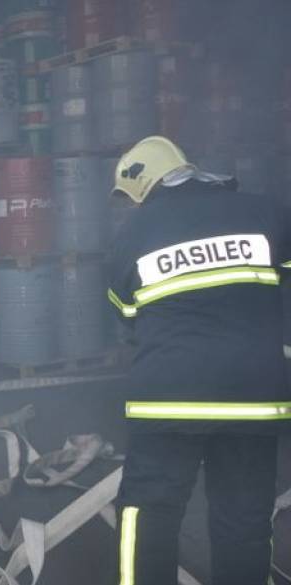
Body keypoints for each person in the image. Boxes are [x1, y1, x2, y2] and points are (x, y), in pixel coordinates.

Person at [107, 136, 290, 585]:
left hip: (167, 400)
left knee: (148, 513)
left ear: (144, 190)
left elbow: (127, 316)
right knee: (243, 520)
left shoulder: (133, 233)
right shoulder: (264, 212)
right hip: (253, 399)